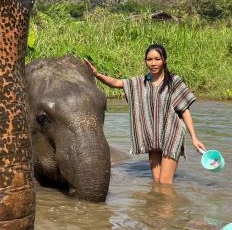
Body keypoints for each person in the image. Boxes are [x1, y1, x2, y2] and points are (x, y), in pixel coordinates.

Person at [85, 44, 206, 183]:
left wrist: (194, 138)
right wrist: (97, 74)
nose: (153, 63)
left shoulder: (174, 82)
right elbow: (117, 83)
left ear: (164, 60)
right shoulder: (140, 82)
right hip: (152, 136)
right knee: (156, 181)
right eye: (149, 59)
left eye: (157, 59)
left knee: (165, 182)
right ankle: (157, 205)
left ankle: (168, 205)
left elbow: (184, 110)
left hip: (172, 134)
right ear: (145, 61)